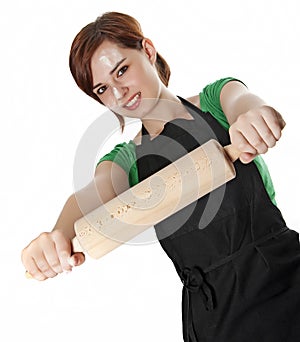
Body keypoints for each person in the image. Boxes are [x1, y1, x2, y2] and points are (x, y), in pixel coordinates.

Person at [21, 11, 300, 341]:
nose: (119, 93)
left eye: (122, 70)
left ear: (148, 50)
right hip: (215, 319)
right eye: (102, 89)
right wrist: (58, 234)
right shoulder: (127, 161)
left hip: (286, 286)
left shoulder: (216, 101)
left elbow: (242, 101)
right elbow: (92, 195)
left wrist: (254, 116)